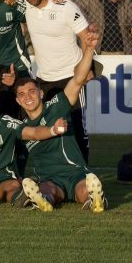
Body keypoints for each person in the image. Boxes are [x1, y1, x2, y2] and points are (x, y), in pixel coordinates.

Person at [15, 34, 106, 213]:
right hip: (49, 178)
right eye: (22, 94)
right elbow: (35, 133)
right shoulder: (21, 127)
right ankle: (42, 199)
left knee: (82, 189)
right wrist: (53, 130)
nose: (28, 97)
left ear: (41, 94)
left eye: (32, 92)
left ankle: (94, 198)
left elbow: (78, 79)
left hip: (75, 172)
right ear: (18, 101)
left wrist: (88, 49)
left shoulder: (57, 106)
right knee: (49, 190)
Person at [19, 0, 93, 161]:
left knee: (77, 128)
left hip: (72, 76)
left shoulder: (65, 6)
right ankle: (54, 175)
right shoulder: (25, 5)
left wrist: (88, 67)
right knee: (48, 129)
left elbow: (86, 37)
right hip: (44, 80)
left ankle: (84, 177)